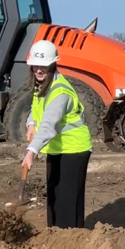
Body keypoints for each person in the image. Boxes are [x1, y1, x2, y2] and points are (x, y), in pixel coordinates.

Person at [22, 40, 93, 229]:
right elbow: (36, 110)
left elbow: (48, 126)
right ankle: (54, 235)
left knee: (67, 200)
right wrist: (31, 123)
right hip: (57, 148)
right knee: (54, 196)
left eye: (43, 66)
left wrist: (31, 151)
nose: (39, 70)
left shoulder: (60, 92)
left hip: (74, 149)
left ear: (53, 64)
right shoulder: (42, 85)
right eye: (36, 66)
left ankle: (71, 240)